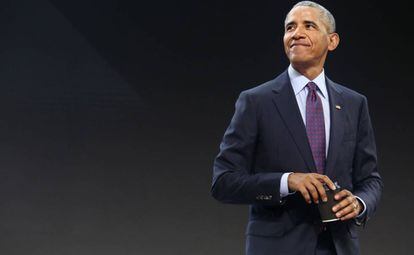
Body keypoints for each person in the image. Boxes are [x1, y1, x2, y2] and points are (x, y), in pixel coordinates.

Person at [211, 1, 383, 254]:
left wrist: (359, 203)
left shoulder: (354, 104)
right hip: (277, 246)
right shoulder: (257, 101)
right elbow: (223, 182)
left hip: (339, 246)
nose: (296, 33)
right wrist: (286, 181)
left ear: (332, 41)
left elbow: (370, 180)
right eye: (290, 27)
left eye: (309, 25)